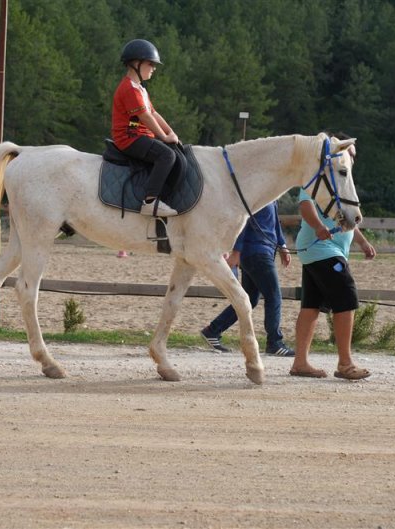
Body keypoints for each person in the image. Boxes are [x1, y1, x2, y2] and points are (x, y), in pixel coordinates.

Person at [289, 182, 376, 380]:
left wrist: (362, 242)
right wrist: (319, 226)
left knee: (311, 306)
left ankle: (300, 363)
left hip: (316, 252)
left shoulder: (340, 188)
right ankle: (345, 364)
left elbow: (347, 220)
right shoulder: (315, 182)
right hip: (323, 249)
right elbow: (305, 205)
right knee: (346, 298)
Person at [200, 201, 295, 356]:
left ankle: (212, 330)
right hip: (257, 252)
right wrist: (237, 251)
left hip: (261, 252)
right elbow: (243, 221)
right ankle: (274, 343)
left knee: (249, 299)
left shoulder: (273, 193)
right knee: (274, 296)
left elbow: (275, 222)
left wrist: (282, 245)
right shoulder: (258, 192)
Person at [111, 39, 180, 217]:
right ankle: (150, 202)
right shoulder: (129, 89)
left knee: (174, 151)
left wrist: (170, 132)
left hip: (140, 136)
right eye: (151, 64)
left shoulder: (140, 88)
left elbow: (154, 113)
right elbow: (145, 116)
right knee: (167, 155)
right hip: (129, 138)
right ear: (136, 63)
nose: (154, 68)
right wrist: (164, 138)